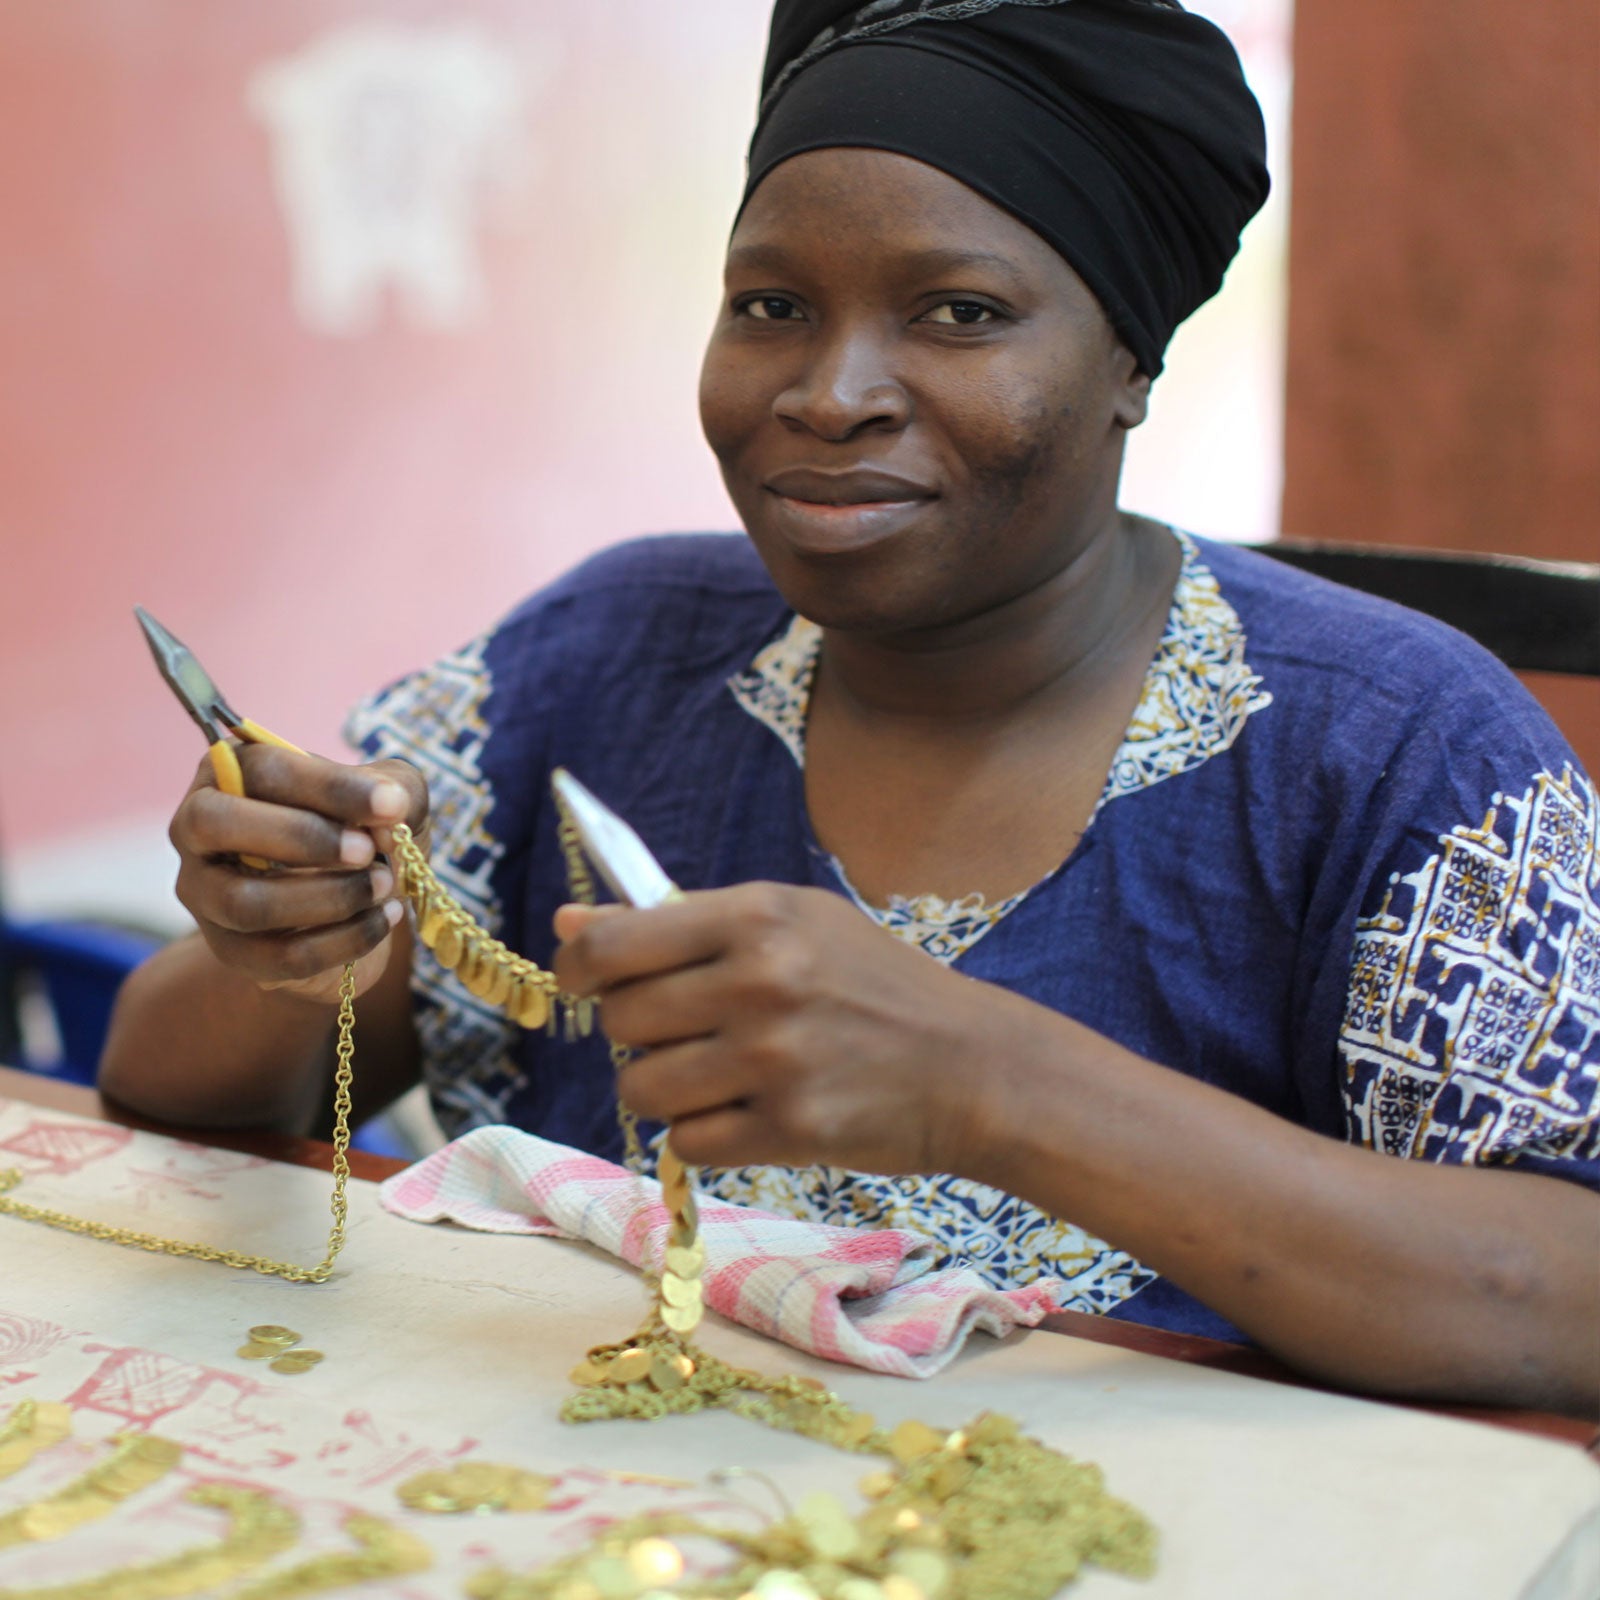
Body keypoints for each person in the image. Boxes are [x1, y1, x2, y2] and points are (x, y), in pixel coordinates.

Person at [101, 0, 1599, 1416]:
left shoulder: (1391, 748)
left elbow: (1565, 1298)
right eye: (772, 305)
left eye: (957, 311)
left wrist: (993, 1086)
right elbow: (168, 1083)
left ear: (1128, 363)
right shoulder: (602, 657)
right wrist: (278, 942)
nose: (831, 392)